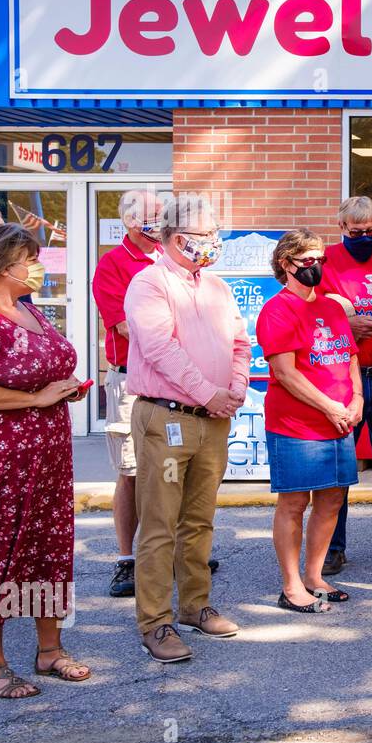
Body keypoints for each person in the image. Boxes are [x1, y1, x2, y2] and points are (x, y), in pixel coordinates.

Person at [124, 195, 249, 663]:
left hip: (212, 418)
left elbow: (240, 341)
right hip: (168, 417)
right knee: (159, 524)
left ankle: (195, 605)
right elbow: (161, 349)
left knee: (199, 520)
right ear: (178, 238)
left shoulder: (214, 284)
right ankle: (155, 622)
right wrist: (209, 393)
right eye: (207, 234)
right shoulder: (148, 283)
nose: (214, 242)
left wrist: (234, 388)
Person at [0, 222, 92, 697]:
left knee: (48, 549)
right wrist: (35, 400)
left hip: (48, 457)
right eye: (30, 259)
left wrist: (61, 393)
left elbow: (40, 375)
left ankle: (49, 651)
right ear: (3, 265)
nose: (37, 268)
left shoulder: (26, 308)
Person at [257, 229, 362, 614]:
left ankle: (315, 576)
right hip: (297, 425)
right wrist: (330, 407)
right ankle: (291, 585)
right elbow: (285, 372)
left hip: (339, 422)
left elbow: (349, 357)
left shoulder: (333, 308)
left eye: (321, 259)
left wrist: (357, 399)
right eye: (308, 261)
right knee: (294, 503)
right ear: (286, 264)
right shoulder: (278, 310)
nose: (316, 267)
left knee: (332, 501)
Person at [317, 197, 372, 576]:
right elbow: (310, 315)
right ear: (342, 229)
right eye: (357, 232)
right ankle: (333, 547)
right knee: (340, 466)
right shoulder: (322, 262)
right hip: (344, 376)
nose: (366, 238)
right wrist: (344, 326)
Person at [91, 189, 163, 597]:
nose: (162, 221)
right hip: (131, 378)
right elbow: (122, 325)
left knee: (174, 468)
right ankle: (126, 559)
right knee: (132, 472)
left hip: (174, 380)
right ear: (133, 222)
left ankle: (174, 551)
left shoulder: (171, 258)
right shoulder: (113, 264)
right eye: (155, 215)